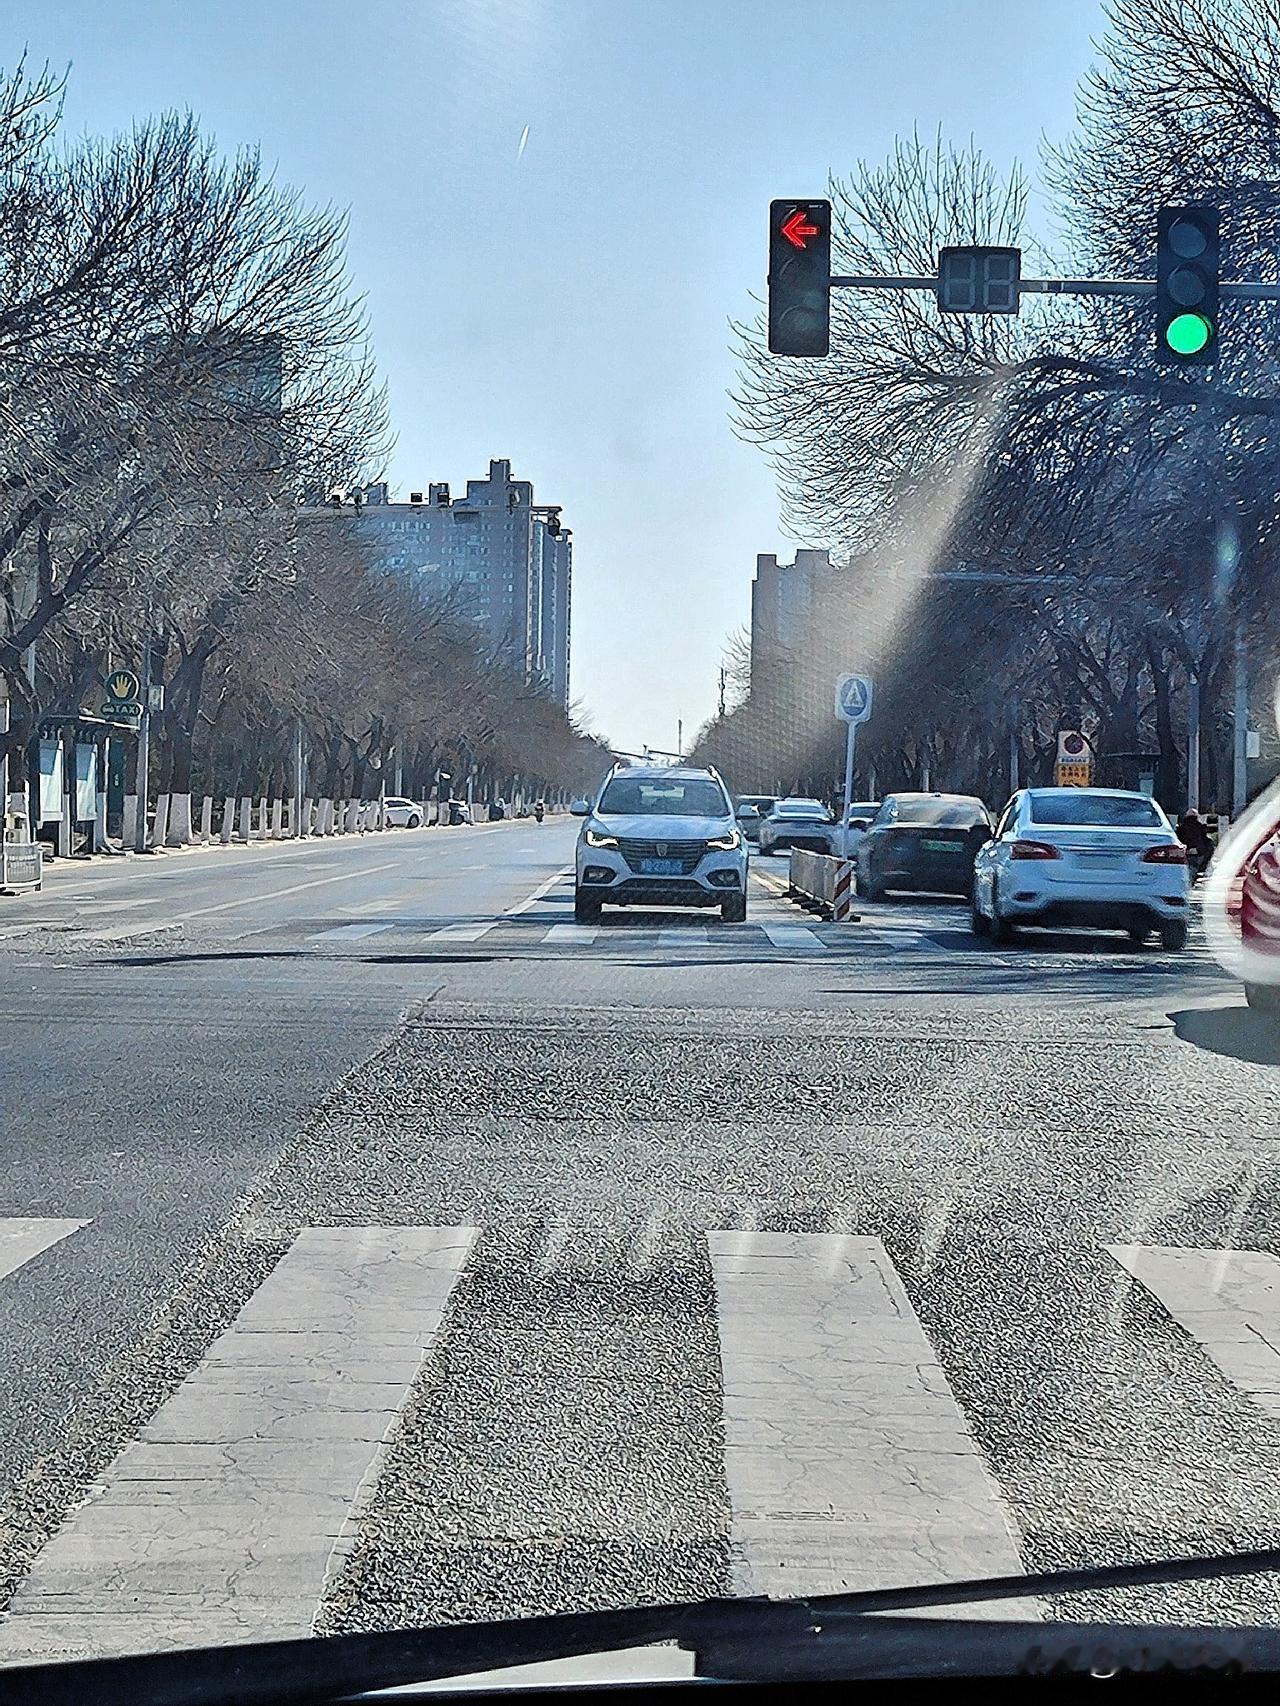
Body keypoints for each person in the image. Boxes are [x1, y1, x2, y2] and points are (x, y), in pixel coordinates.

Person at [1176, 809, 1215, 879]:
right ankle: (1203, 869)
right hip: (1199, 850)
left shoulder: (1181, 827)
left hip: (1186, 850)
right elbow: (1205, 838)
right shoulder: (1200, 826)